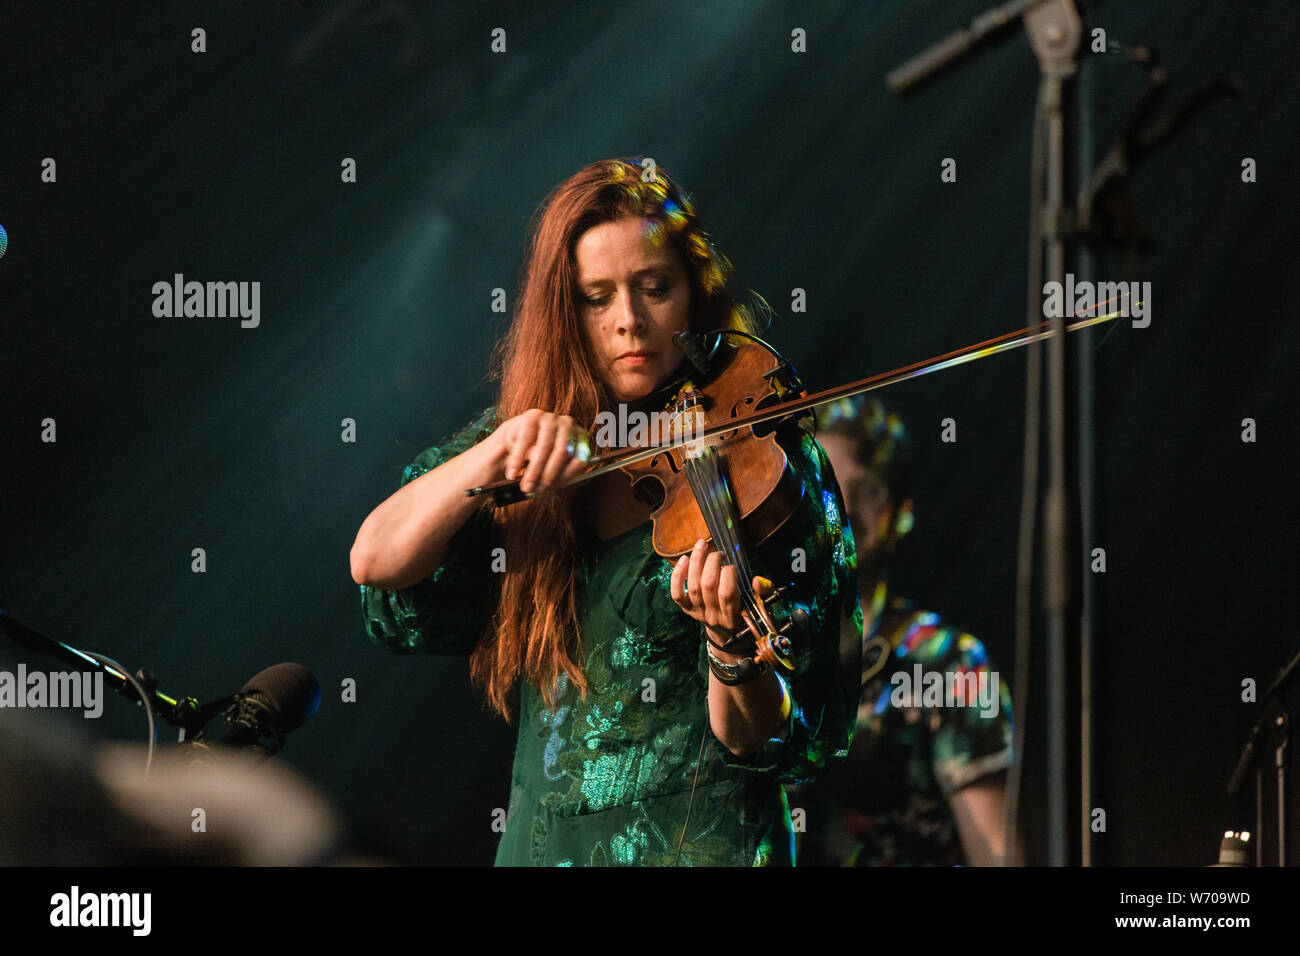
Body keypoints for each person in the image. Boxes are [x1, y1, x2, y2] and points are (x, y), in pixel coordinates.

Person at [349, 158, 860, 866]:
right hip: (545, 845)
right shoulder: (531, 449)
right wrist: (493, 451)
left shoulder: (770, 460)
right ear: (566, 312)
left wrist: (729, 648)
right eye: (597, 297)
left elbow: (777, 739)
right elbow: (375, 561)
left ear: (696, 293)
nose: (629, 321)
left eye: (655, 288)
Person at [786, 396, 1016, 866]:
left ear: (900, 512)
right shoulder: (773, 652)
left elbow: (999, 856)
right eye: (825, 484)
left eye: (866, 490)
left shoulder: (948, 660)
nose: (844, 504)